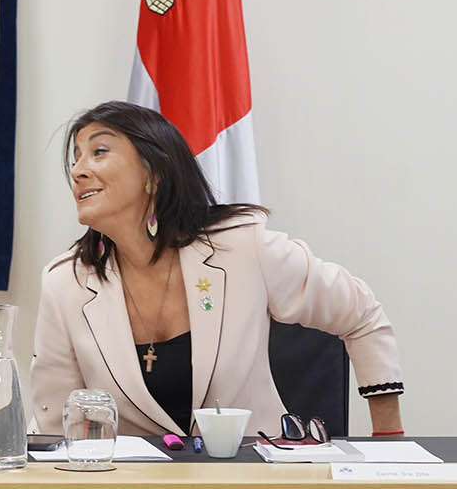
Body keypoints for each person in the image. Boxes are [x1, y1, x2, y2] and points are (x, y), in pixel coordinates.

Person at [30, 101, 402, 440]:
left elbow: (361, 314)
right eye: (75, 159)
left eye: (99, 152)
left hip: (252, 477)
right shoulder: (66, 283)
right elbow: (52, 423)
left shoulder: (242, 247)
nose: (78, 171)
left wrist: (388, 442)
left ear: (154, 174)